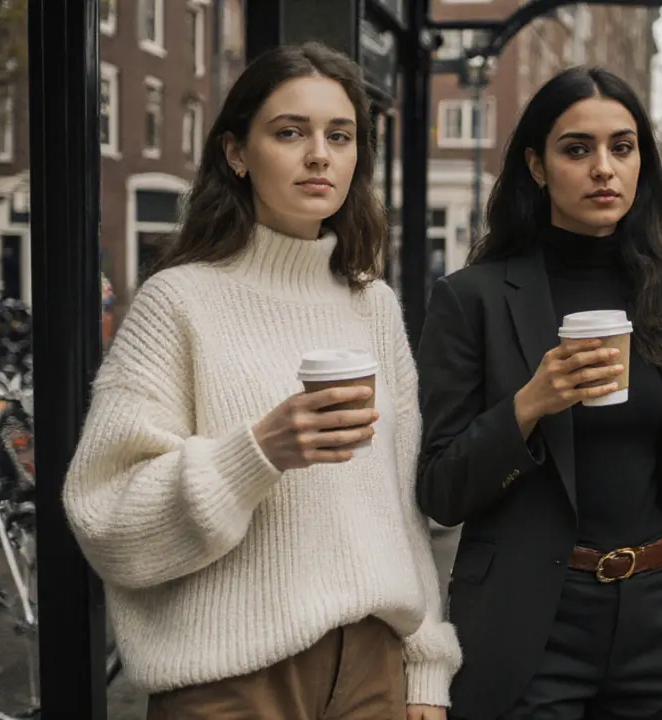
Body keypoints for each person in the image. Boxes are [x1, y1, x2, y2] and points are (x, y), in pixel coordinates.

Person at [63, 42, 459, 720]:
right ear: (236, 154)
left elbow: (399, 508)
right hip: (230, 681)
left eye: (340, 136)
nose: (319, 155)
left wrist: (425, 666)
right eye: (289, 132)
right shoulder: (178, 302)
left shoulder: (375, 306)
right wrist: (258, 452)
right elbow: (106, 516)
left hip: (373, 671)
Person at [415, 66, 662, 720]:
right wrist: (529, 405)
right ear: (537, 165)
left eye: (622, 146)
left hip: (660, 622)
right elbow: (439, 489)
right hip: (530, 625)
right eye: (577, 149)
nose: (604, 167)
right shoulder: (473, 300)